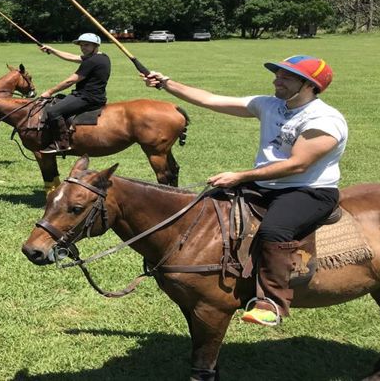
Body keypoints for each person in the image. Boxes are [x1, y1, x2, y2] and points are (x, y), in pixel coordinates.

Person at [143, 55, 347, 327]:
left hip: (307, 190)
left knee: (274, 230)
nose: (277, 80)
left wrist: (240, 176)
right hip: (264, 185)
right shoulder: (270, 105)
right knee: (208, 206)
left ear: (309, 85)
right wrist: (167, 83)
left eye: (286, 77)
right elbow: (210, 99)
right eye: (278, 75)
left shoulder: (324, 119)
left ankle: (272, 300)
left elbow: (298, 165)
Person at [38, 33, 111, 154]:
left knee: (52, 111)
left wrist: (49, 92)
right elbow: (72, 57)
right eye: (81, 45)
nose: (83, 48)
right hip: (96, 96)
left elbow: (70, 81)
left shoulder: (91, 61)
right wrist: (52, 50)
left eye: (86, 45)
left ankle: (62, 144)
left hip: (87, 97)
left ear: (95, 45)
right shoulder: (102, 57)